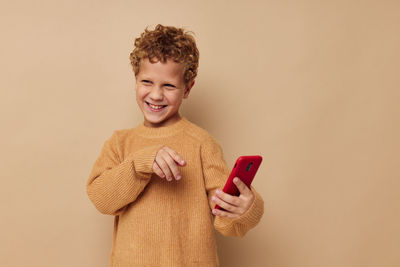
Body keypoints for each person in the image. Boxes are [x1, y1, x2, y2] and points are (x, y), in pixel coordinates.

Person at [86, 24, 264, 267]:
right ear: (135, 80)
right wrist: (140, 163)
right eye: (147, 81)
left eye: (168, 86)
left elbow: (226, 220)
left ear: (187, 89)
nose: (156, 95)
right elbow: (102, 199)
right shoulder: (120, 143)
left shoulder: (202, 143)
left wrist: (245, 208)